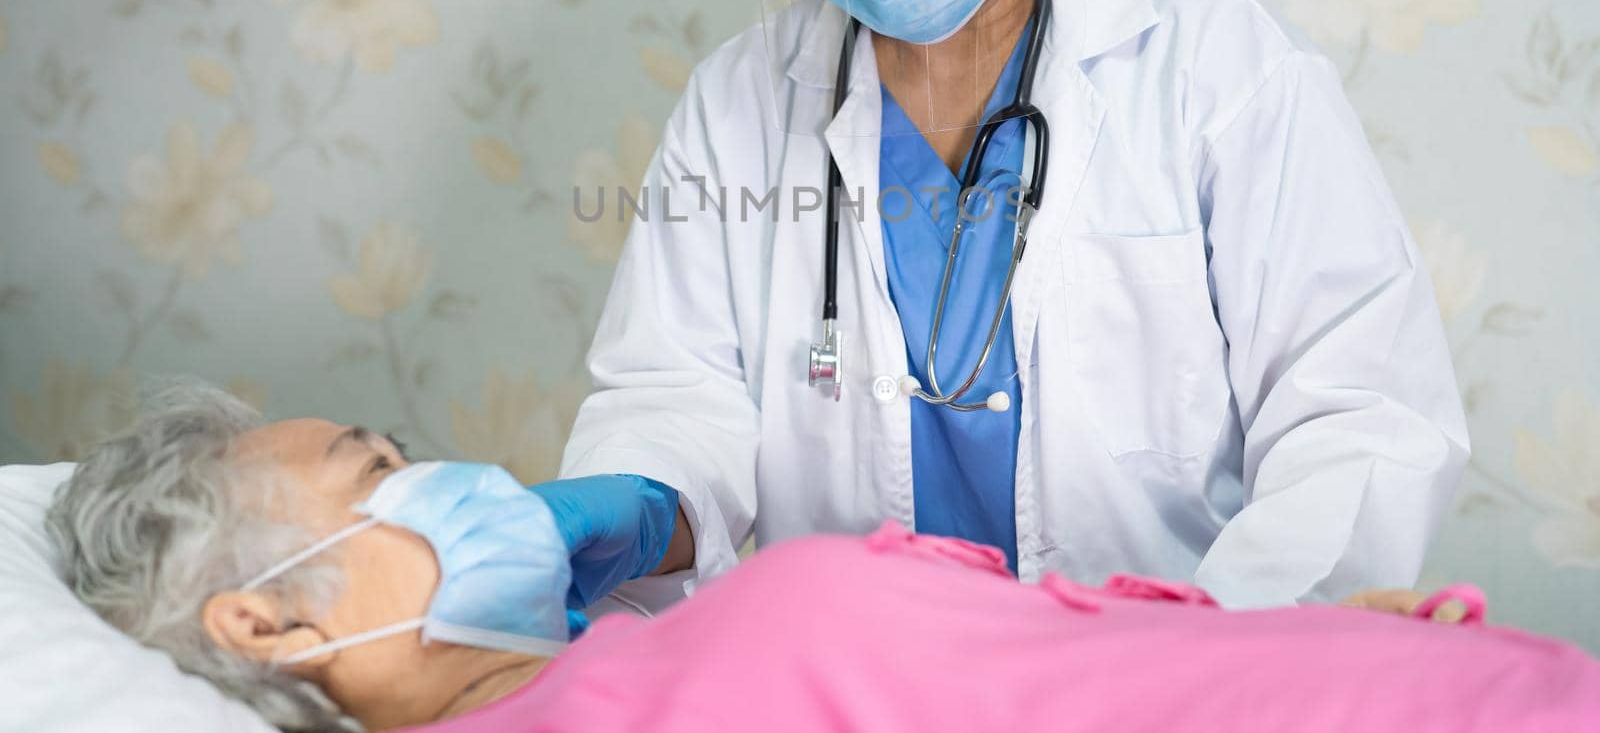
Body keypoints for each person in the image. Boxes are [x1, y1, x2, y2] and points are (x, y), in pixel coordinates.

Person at [537, 0, 1469, 619]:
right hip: (863, 683)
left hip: (1173, 676)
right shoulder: (736, 104)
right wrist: (645, 502)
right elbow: (674, 394)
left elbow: (1359, 416)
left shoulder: (1217, 73)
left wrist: (1212, 652)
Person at [45, 389, 1600, 733]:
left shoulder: (624, 662)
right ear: (265, 617)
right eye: (379, 469)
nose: (455, 475)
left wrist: (1271, 637)